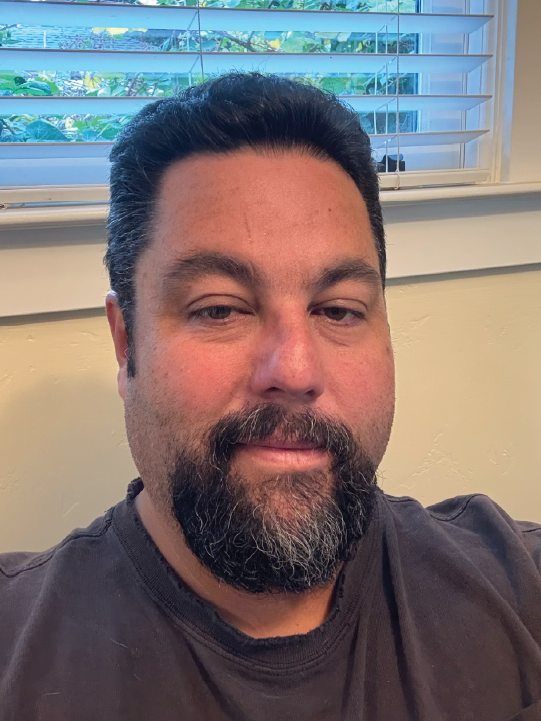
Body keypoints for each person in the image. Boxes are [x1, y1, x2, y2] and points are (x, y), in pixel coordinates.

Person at [1, 72, 540, 721]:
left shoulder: (515, 587)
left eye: (339, 310)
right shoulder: (17, 653)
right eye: (220, 308)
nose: (296, 369)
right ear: (125, 343)